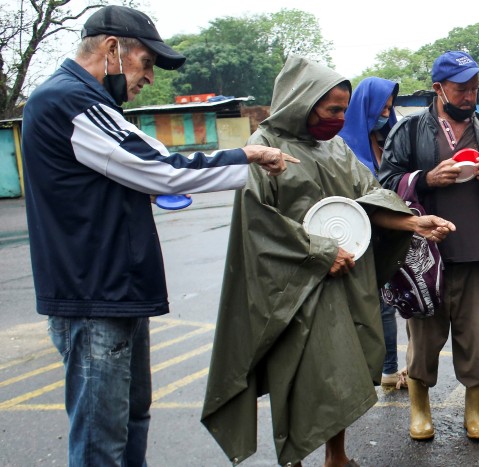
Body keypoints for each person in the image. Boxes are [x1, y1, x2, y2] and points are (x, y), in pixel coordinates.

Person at [19, 6, 297, 466]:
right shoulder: (68, 100)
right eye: (147, 62)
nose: (149, 77)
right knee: (101, 441)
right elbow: (162, 169)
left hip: (116, 291)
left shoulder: (94, 104)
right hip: (93, 296)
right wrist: (246, 156)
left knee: (129, 426)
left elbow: (149, 163)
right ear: (112, 49)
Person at [200, 56, 455, 466]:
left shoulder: (334, 148)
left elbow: (366, 202)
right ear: (304, 101)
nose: (339, 118)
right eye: (332, 109)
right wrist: (318, 252)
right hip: (290, 288)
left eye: (343, 109)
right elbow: (258, 222)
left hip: (342, 281)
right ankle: (295, 458)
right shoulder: (265, 148)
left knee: (341, 370)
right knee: (298, 374)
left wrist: (413, 223)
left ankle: (336, 456)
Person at [377, 50, 479, 441]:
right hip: (424, 260)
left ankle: (475, 412)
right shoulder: (408, 131)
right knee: (423, 341)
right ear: (439, 89)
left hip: (475, 257)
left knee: (476, 340)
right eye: (461, 88)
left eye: (475, 87)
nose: (470, 95)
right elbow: (385, 185)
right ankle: (420, 411)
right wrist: (425, 178)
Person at [338, 76, 406, 388]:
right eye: (382, 108)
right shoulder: (342, 147)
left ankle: (388, 368)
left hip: (386, 238)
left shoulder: (385, 140)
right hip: (356, 239)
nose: (386, 114)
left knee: (387, 305)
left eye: (390, 108)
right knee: (371, 307)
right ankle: (374, 370)